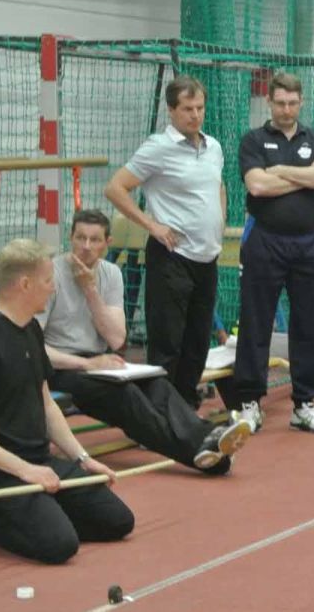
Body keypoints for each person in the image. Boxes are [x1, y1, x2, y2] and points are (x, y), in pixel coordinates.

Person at [0, 240, 133, 564]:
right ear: (25, 284)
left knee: (117, 521)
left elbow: (47, 405)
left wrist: (83, 457)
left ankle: (38, 513)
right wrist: (25, 471)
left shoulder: (31, 328)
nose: (53, 288)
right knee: (60, 546)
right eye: (48, 280)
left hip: (38, 461)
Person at [39, 210, 251, 474]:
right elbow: (34, 347)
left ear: (107, 243)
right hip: (60, 366)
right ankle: (200, 450)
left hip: (98, 362)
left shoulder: (111, 274)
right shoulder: (51, 274)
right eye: (80, 238)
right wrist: (86, 364)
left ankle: (207, 442)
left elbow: (117, 338)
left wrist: (90, 290)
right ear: (70, 238)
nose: (86, 246)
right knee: (126, 396)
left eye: (94, 240)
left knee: (157, 384)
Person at [105, 76, 226, 409]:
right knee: (167, 342)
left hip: (207, 258)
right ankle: (158, 413)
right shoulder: (158, 147)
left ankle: (185, 410)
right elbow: (115, 188)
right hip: (172, 256)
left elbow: (218, 187)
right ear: (172, 110)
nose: (195, 115)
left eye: (200, 108)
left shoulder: (214, 147)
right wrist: (152, 225)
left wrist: (218, 223)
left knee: (197, 342)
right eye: (187, 109)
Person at [231, 72, 314, 435]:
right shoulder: (253, 140)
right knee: (255, 322)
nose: (286, 110)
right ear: (269, 102)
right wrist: (305, 175)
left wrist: (281, 171)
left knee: (309, 324)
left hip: (309, 243)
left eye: (292, 103)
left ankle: (304, 404)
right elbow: (258, 186)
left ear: (301, 102)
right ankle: (249, 402)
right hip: (265, 241)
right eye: (280, 103)